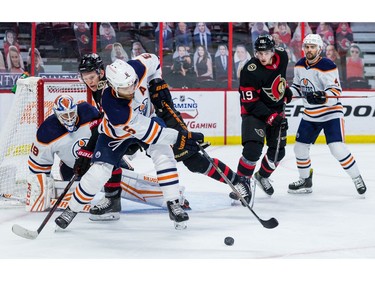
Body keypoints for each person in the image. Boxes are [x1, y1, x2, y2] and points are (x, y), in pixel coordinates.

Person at [55, 54, 204, 230]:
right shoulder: (113, 105)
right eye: (126, 88)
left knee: (163, 154)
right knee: (98, 172)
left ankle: (173, 203)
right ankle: (71, 210)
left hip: (146, 119)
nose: (132, 89)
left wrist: (156, 81)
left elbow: (154, 61)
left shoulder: (136, 68)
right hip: (116, 134)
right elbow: (152, 132)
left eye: (133, 84)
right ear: (114, 87)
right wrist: (182, 138)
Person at [26, 94, 184, 213]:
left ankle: (171, 197)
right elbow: (38, 166)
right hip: (73, 167)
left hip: (99, 158)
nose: (69, 118)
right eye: (64, 116)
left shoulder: (88, 111)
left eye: (71, 114)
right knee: (81, 191)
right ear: (56, 114)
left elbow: (105, 133)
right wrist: (38, 189)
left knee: (122, 178)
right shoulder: (47, 132)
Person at [288, 34, 366, 195]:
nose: (309, 50)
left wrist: (321, 96)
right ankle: (305, 180)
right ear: (303, 48)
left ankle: (356, 177)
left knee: (337, 148)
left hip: (331, 114)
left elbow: (335, 91)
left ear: (319, 49)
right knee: (299, 148)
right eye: (307, 47)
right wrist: (287, 94)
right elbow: (296, 87)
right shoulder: (299, 65)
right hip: (310, 115)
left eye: (312, 47)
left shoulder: (327, 65)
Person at [233, 35, 292, 197]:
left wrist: (284, 89)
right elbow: (250, 103)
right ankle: (242, 183)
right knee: (253, 149)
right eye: (259, 53)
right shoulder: (249, 70)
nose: (262, 57)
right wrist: (271, 117)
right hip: (254, 113)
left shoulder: (283, 56)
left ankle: (262, 176)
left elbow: (279, 77)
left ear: (273, 51)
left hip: (276, 110)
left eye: (266, 53)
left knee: (278, 153)